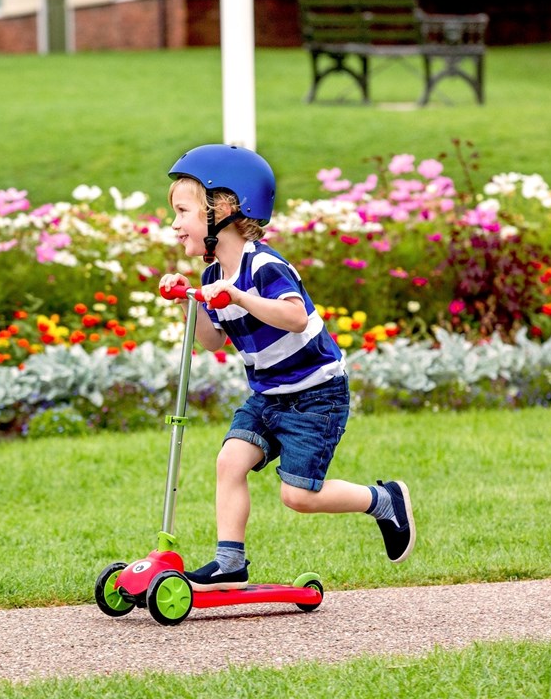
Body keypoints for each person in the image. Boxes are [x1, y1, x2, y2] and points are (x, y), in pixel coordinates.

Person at [159, 144, 415, 592]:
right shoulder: (211, 277)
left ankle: (383, 500)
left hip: (316, 395)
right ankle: (229, 562)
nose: (175, 224)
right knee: (230, 461)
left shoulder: (264, 265)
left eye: (183, 212)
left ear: (223, 209)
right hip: (268, 395)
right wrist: (192, 302)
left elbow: (294, 316)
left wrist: (238, 297)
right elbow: (214, 340)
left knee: (297, 496)